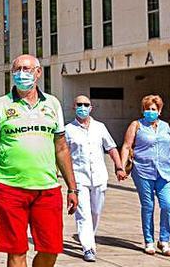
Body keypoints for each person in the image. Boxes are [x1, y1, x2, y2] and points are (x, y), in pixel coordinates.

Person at [0, 54, 78, 267]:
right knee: (16, 251)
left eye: (27, 69)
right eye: (17, 69)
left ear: (38, 73)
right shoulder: (0, 105)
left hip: (47, 188)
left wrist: (72, 188)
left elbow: (61, 147)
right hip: (9, 188)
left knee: (51, 249)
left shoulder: (52, 104)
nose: (22, 74)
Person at [64, 96, 126, 262]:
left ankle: (89, 236)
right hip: (79, 178)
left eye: (86, 105)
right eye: (79, 105)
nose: (82, 107)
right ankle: (88, 247)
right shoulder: (68, 129)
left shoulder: (100, 127)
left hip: (99, 176)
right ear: (73, 107)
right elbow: (62, 154)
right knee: (83, 213)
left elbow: (111, 147)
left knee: (96, 212)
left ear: (91, 107)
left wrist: (119, 167)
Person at [120, 94, 170, 257]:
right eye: (147, 109)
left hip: (164, 172)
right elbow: (126, 146)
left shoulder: (166, 127)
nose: (150, 112)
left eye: (153, 109)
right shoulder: (137, 125)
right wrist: (121, 167)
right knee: (148, 206)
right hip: (143, 171)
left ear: (159, 111)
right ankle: (149, 241)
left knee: (167, 205)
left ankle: (164, 240)